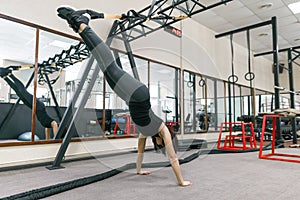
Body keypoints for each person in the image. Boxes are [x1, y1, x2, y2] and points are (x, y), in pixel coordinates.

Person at [57, 6, 191, 186]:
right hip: (139, 93)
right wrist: (181, 181)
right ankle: (82, 24)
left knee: (104, 66)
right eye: (162, 144)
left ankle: (79, 27)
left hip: (129, 97)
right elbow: (174, 159)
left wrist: (138, 170)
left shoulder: (145, 133)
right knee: (111, 66)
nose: (161, 144)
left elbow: (140, 154)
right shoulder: (162, 128)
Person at [0, 68, 58, 139]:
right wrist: (56, 139)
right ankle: (10, 74)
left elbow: (47, 129)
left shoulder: (47, 125)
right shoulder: (53, 122)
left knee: (19, 94)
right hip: (39, 106)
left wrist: (47, 140)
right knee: (23, 91)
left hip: (35, 108)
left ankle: (5, 77)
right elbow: (55, 125)